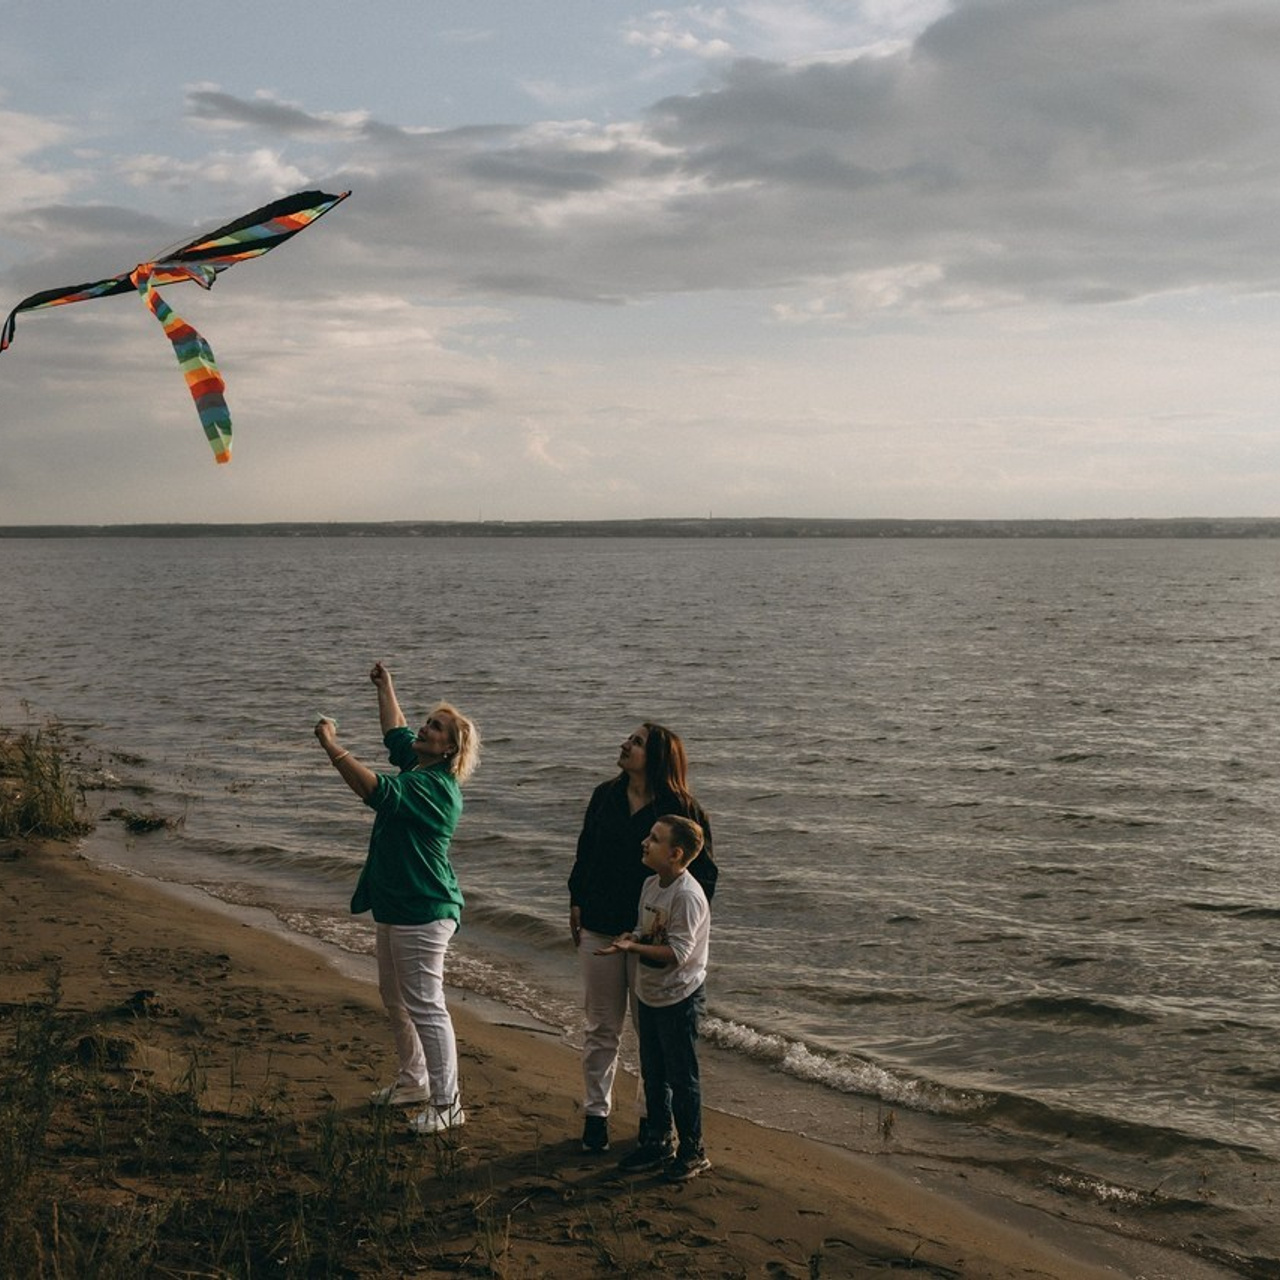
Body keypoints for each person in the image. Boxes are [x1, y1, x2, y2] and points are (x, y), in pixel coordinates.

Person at [315, 661, 480, 1136]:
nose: (425, 729)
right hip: (395, 904)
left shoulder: (436, 788)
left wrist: (332, 747)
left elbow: (375, 791)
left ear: (450, 748)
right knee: (395, 997)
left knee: (426, 1003)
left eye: (436, 727)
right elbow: (396, 732)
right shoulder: (417, 762)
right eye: (429, 722)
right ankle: (414, 1081)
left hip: (424, 907)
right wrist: (386, 685)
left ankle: (448, 1104)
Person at [568, 722, 717, 1154]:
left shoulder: (681, 808)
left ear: (658, 757)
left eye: (636, 743)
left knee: (653, 1034)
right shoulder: (605, 796)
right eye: (628, 738)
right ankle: (596, 1115)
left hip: (652, 937)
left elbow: (704, 878)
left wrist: (676, 928)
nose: (624, 744)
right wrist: (576, 899)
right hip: (599, 922)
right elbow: (585, 852)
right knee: (602, 1026)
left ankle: (654, 1121)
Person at [597, 814, 712, 1182]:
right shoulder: (651, 884)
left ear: (676, 853)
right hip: (651, 993)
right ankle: (659, 1141)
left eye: (655, 839)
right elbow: (646, 931)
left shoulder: (688, 896)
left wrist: (633, 946)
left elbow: (677, 952)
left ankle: (693, 1150)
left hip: (680, 997)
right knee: (653, 1072)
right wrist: (628, 938)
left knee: (682, 1077)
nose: (645, 842)